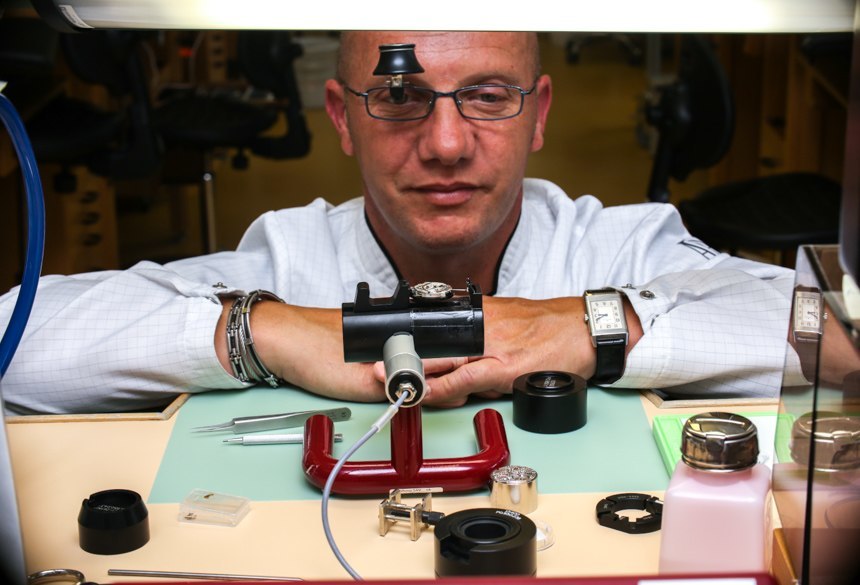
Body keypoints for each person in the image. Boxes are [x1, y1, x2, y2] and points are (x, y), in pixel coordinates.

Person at [0, 31, 796, 415]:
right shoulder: (290, 259)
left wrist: (592, 325)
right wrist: (267, 331)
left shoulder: (612, 245)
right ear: (342, 118)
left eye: (488, 96)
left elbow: (831, 332)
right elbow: (15, 342)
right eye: (399, 97)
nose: (446, 144)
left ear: (539, 112)